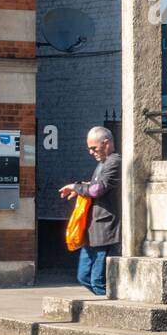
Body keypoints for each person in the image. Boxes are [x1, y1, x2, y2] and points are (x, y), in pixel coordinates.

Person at [59, 127, 121, 297]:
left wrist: (76, 187)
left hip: (105, 230)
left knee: (97, 280)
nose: (91, 152)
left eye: (94, 148)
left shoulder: (114, 162)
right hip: (92, 231)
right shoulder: (102, 164)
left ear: (106, 143)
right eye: (89, 148)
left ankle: (108, 310)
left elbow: (96, 190)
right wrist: (79, 189)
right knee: (83, 276)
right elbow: (92, 186)